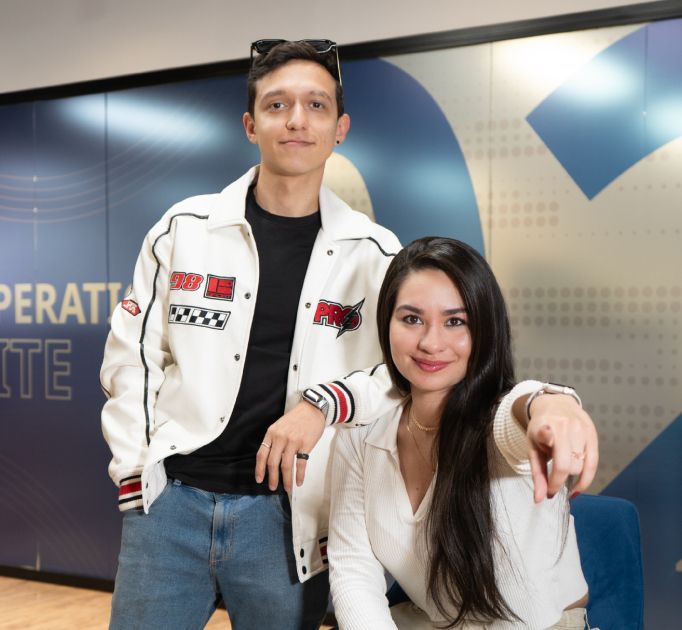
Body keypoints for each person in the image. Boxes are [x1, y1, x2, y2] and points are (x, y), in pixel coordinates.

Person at [100, 40, 596, 629]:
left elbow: (404, 371)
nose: (296, 120)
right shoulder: (183, 229)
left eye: (316, 105)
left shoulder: (377, 254)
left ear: (340, 128)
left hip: (289, 516)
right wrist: (137, 476)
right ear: (250, 124)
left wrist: (321, 405)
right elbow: (132, 358)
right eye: (277, 104)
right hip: (171, 505)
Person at [328, 237, 597, 630]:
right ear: (386, 324)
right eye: (411, 319)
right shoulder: (360, 435)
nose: (430, 343)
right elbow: (354, 572)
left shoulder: (501, 422)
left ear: (484, 330)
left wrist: (551, 404)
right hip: (436, 621)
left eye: (455, 321)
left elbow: (520, 411)